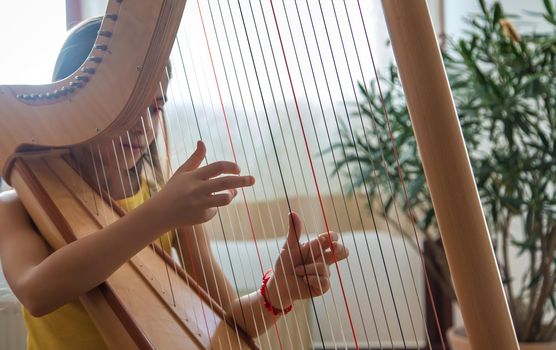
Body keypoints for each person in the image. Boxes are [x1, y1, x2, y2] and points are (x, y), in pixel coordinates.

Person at [0, 16, 349, 350]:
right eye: (126, 106)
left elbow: (233, 321)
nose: (142, 125)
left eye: (155, 107)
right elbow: (36, 292)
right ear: (75, 107)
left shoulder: (164, 199)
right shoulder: (17, 206)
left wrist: (278, 292)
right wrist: (158, 215)